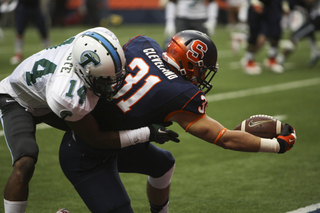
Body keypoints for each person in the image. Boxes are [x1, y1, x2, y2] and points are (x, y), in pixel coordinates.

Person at [59, 30, 297, 213]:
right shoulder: (180, 94)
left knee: (163, 164)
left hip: (113, 138)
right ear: (191, 63)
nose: (202, 77)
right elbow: (224, 138)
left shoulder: (143, 44)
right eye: (203, 70)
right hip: (87, 152)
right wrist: (277, 145)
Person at [0, 27, 179, 213]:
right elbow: (94, 138)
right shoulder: (67, 93)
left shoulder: (101, 39)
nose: (113, 86)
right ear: (83, 73)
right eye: (104, 81)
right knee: (25, 162)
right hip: (18, 99)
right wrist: (146, 133)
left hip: (45, 90)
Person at [241, 0, 288, 74]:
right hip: (257, 4)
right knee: (254, 34)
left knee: (276, 32)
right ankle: (249, 60)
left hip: (272, 4)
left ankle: (272, 59)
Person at [278, 0, 320, 68]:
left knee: (295, 36)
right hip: (314, 18)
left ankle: (280, 58)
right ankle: (315, 53)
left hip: (316, 20)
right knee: (309, 34)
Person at [9, 0, 51, 65]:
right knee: (19, 31)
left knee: (43, 30)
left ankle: (49, 51)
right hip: (23, 7)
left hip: (35, 7)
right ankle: (18, 54)